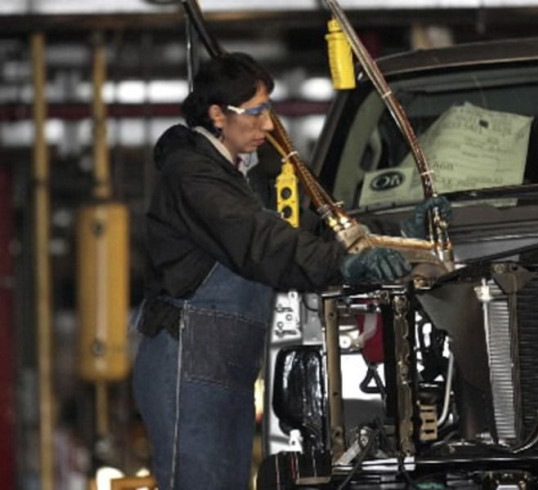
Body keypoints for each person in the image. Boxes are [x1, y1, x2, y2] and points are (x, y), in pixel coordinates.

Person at [131, 52, 414, 490]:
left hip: (226, 371)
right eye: (258, 111)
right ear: (217, 115)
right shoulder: (193, 176)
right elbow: (260, 241)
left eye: (270, 110)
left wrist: (396, 240)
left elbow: (304, 229)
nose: (268, 125)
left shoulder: (237, 177)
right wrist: (343, 265)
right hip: (187, 366)